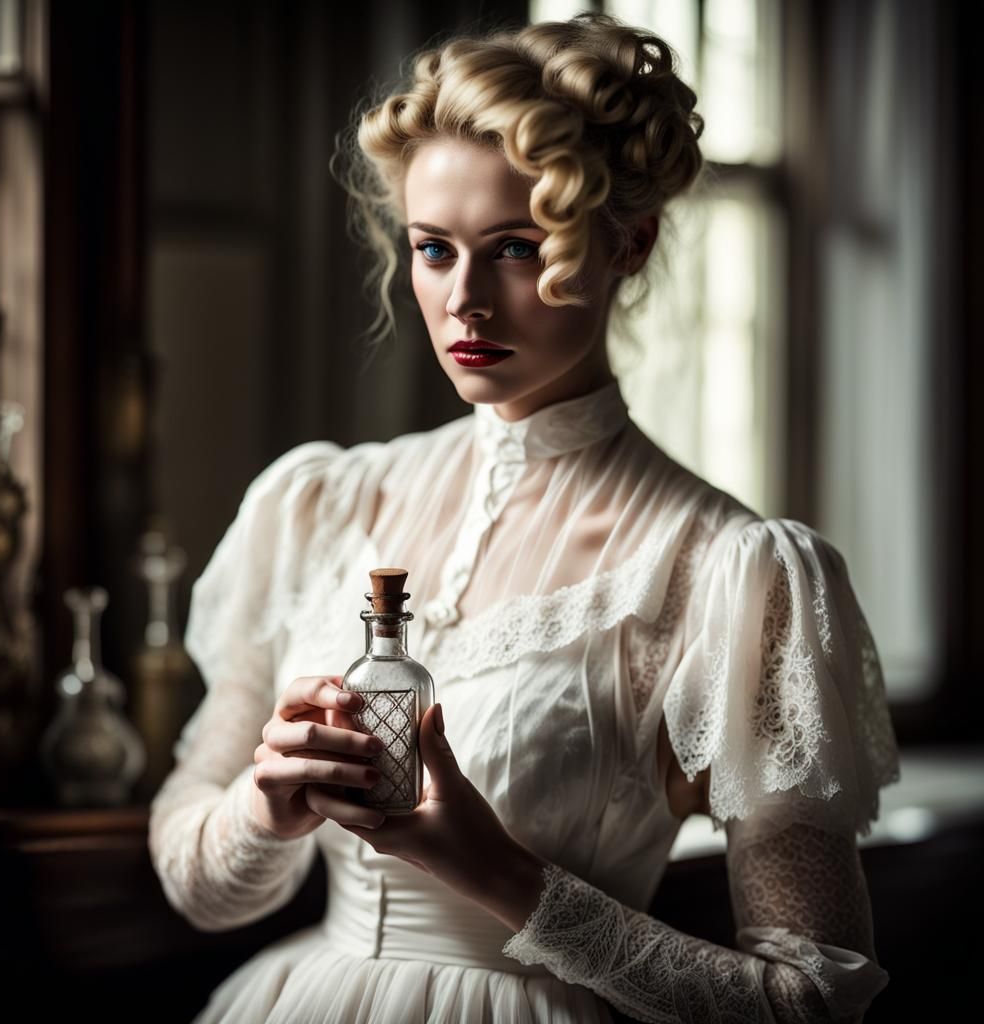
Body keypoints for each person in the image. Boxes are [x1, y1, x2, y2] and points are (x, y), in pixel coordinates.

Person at [148, 12, 900, 1023]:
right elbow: (196, 883)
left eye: (512, 248)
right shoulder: (322, 502)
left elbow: (808, 998)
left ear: (626, 242)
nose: (464, 301)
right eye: (431, 249)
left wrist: (502, 874)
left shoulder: (727, 572)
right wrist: (262, 808)